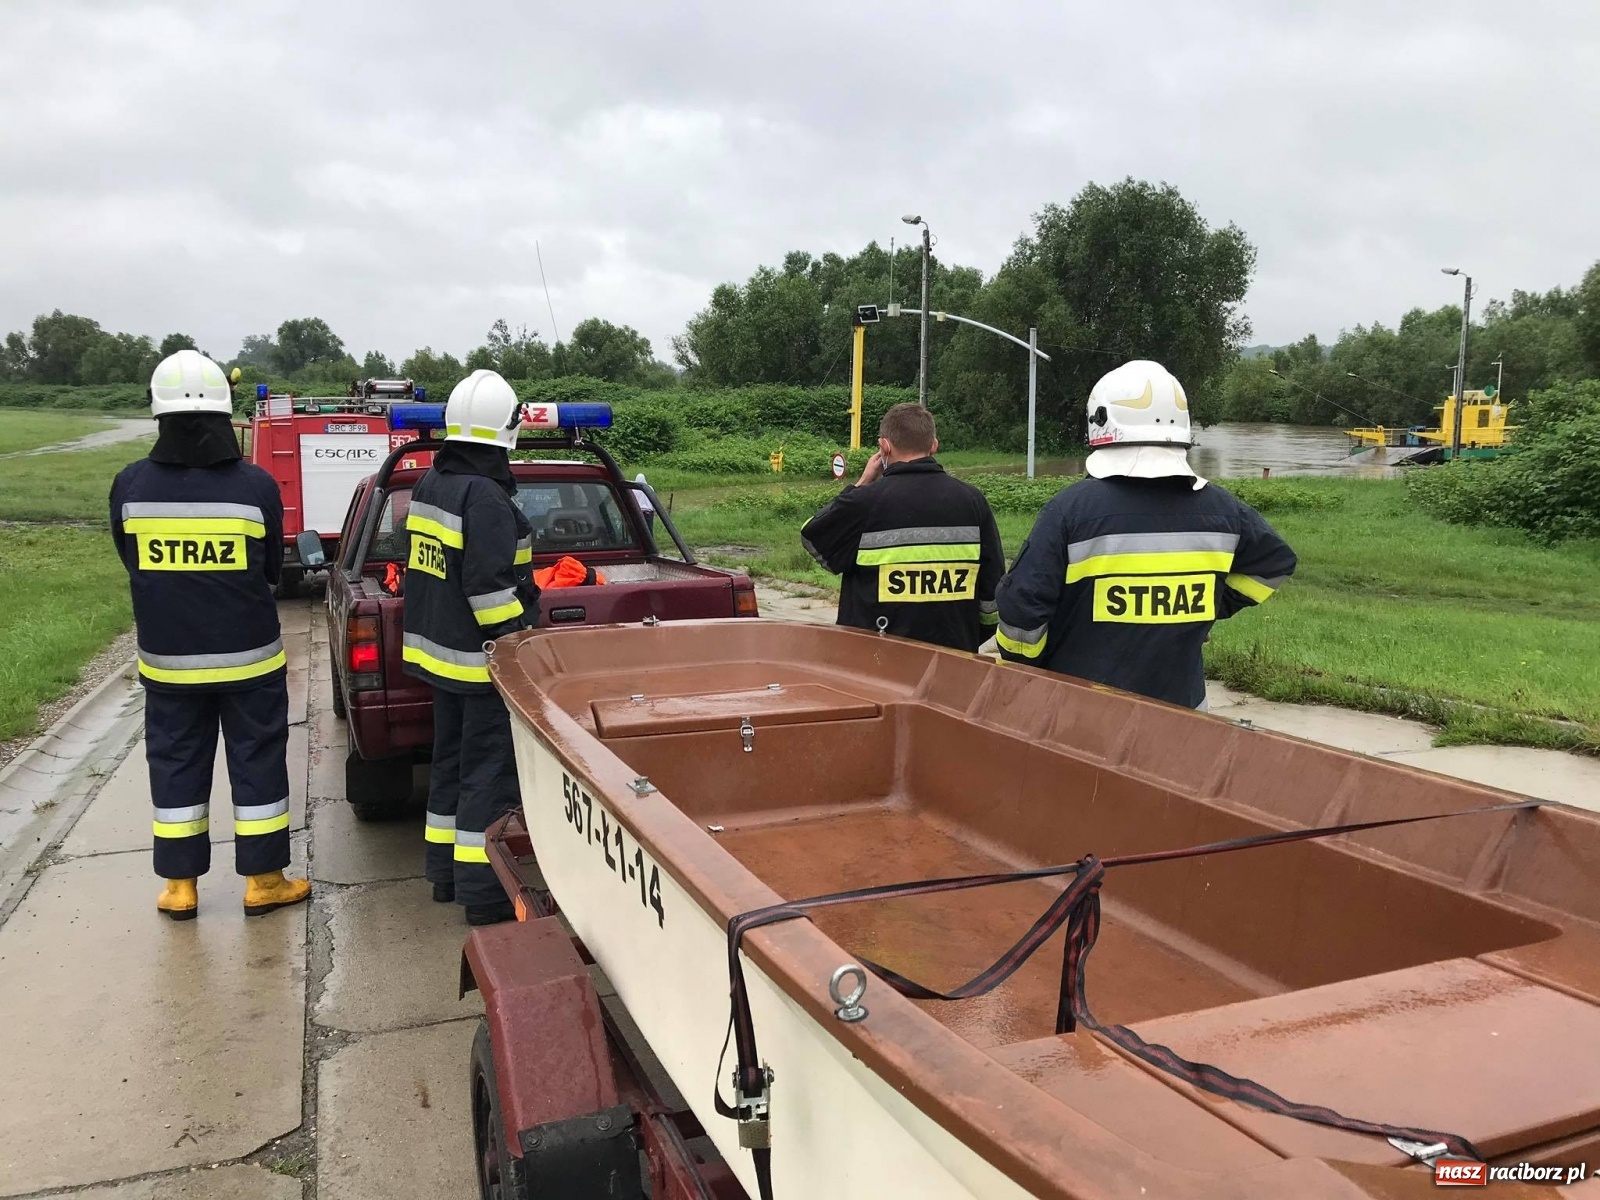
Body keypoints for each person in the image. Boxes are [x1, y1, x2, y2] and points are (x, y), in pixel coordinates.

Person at [110, 350, 309, 921]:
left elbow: (132, 561)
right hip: (250, 666)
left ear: (159, 416)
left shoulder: (130, 486)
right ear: (226, 417)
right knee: (259, 765)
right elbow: (274, 567)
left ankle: (179, 888)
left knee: (173, 765)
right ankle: (265, 880)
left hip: (169, 666)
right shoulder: (254, 486)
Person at [994, 360, 1297, 709]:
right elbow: (1274, 563)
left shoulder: (1070, 511)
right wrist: (1206, 608)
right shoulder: (1224, 510)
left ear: (1101, 422)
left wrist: (1024, 670)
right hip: (1183, 710)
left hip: (1080, 709)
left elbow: (1022, 610)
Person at [403, 369, 540, 926]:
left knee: (451, 765)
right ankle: (484, 894)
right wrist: (519, 648)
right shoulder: (484, 496)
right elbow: (489, 591)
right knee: (488, 776)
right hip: (482, 662)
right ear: (505, 430)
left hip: (440, 656)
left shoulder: (432, 483)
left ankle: (444, 872)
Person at [800, 402, 1004, 652]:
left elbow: (814, 538)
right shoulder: (973, 501)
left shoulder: (864, 502)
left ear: (884, 447)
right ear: (933, 446)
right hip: (953, 658)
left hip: (875, 663)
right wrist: (970, 636)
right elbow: (992, 592)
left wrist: (862, 483)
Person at [633, 472, 657, 542]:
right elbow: (653, 499)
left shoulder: (633, 489)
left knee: (639, 529)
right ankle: (650, 543)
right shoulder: (649, 488)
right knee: (649, 530)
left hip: (638, 512)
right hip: (649, 512)